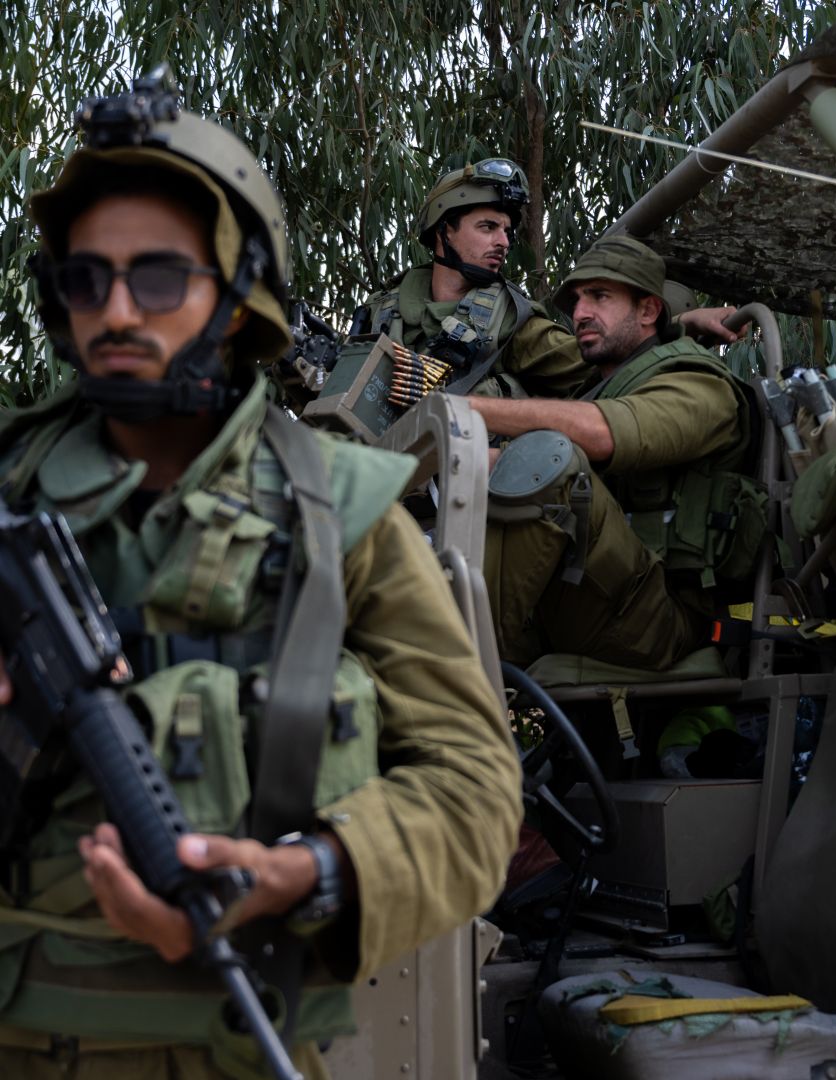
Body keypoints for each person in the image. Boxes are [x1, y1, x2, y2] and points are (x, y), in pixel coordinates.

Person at [0, 69, 522, 1079]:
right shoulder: (13, 492)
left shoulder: (346, 515)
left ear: (240, 298)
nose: (115, 309)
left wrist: (304, 872)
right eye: (85, 279)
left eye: (158, 278)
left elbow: (475, 793)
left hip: (241, 1048)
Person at [468, 235, 764, 670]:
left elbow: (604, 432)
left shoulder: (699, 384)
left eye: (600, 296)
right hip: (596, 596)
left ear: (648, 311)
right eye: (578, 301)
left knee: (553, 460)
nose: (581, 313)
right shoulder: (601, 383)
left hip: (663, 619)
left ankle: (457, 658)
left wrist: (468, 410)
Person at [356, 157, 745, 402]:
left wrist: (685, 325)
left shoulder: (507, 318)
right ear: (445, 231)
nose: (503, 242)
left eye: (507, 231)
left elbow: (588, 357)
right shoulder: (381, 309)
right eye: (487, 227)